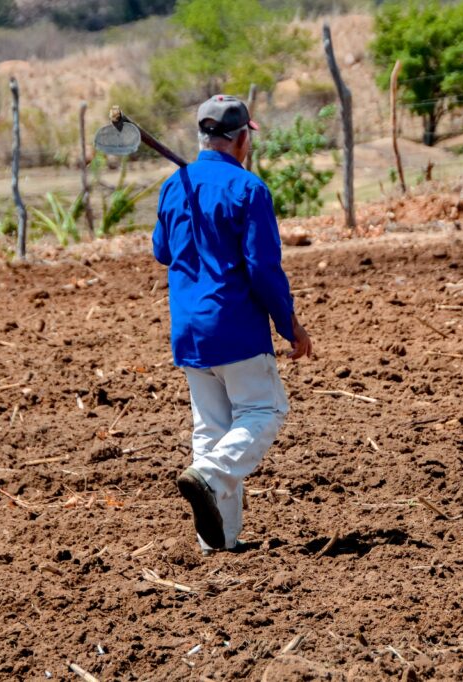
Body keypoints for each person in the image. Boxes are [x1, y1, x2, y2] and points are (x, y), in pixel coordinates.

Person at [152, 94, 312, 554]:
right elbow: (263, 268)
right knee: (265, 411)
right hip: (235, 326)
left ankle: (217, 539)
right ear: (243, 138)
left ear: (202, 137)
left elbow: (162, 251)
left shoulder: (174, 186)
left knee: (211, 429)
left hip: (188, 330)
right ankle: (211, 474)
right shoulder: (249, 190)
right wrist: (290, 324)